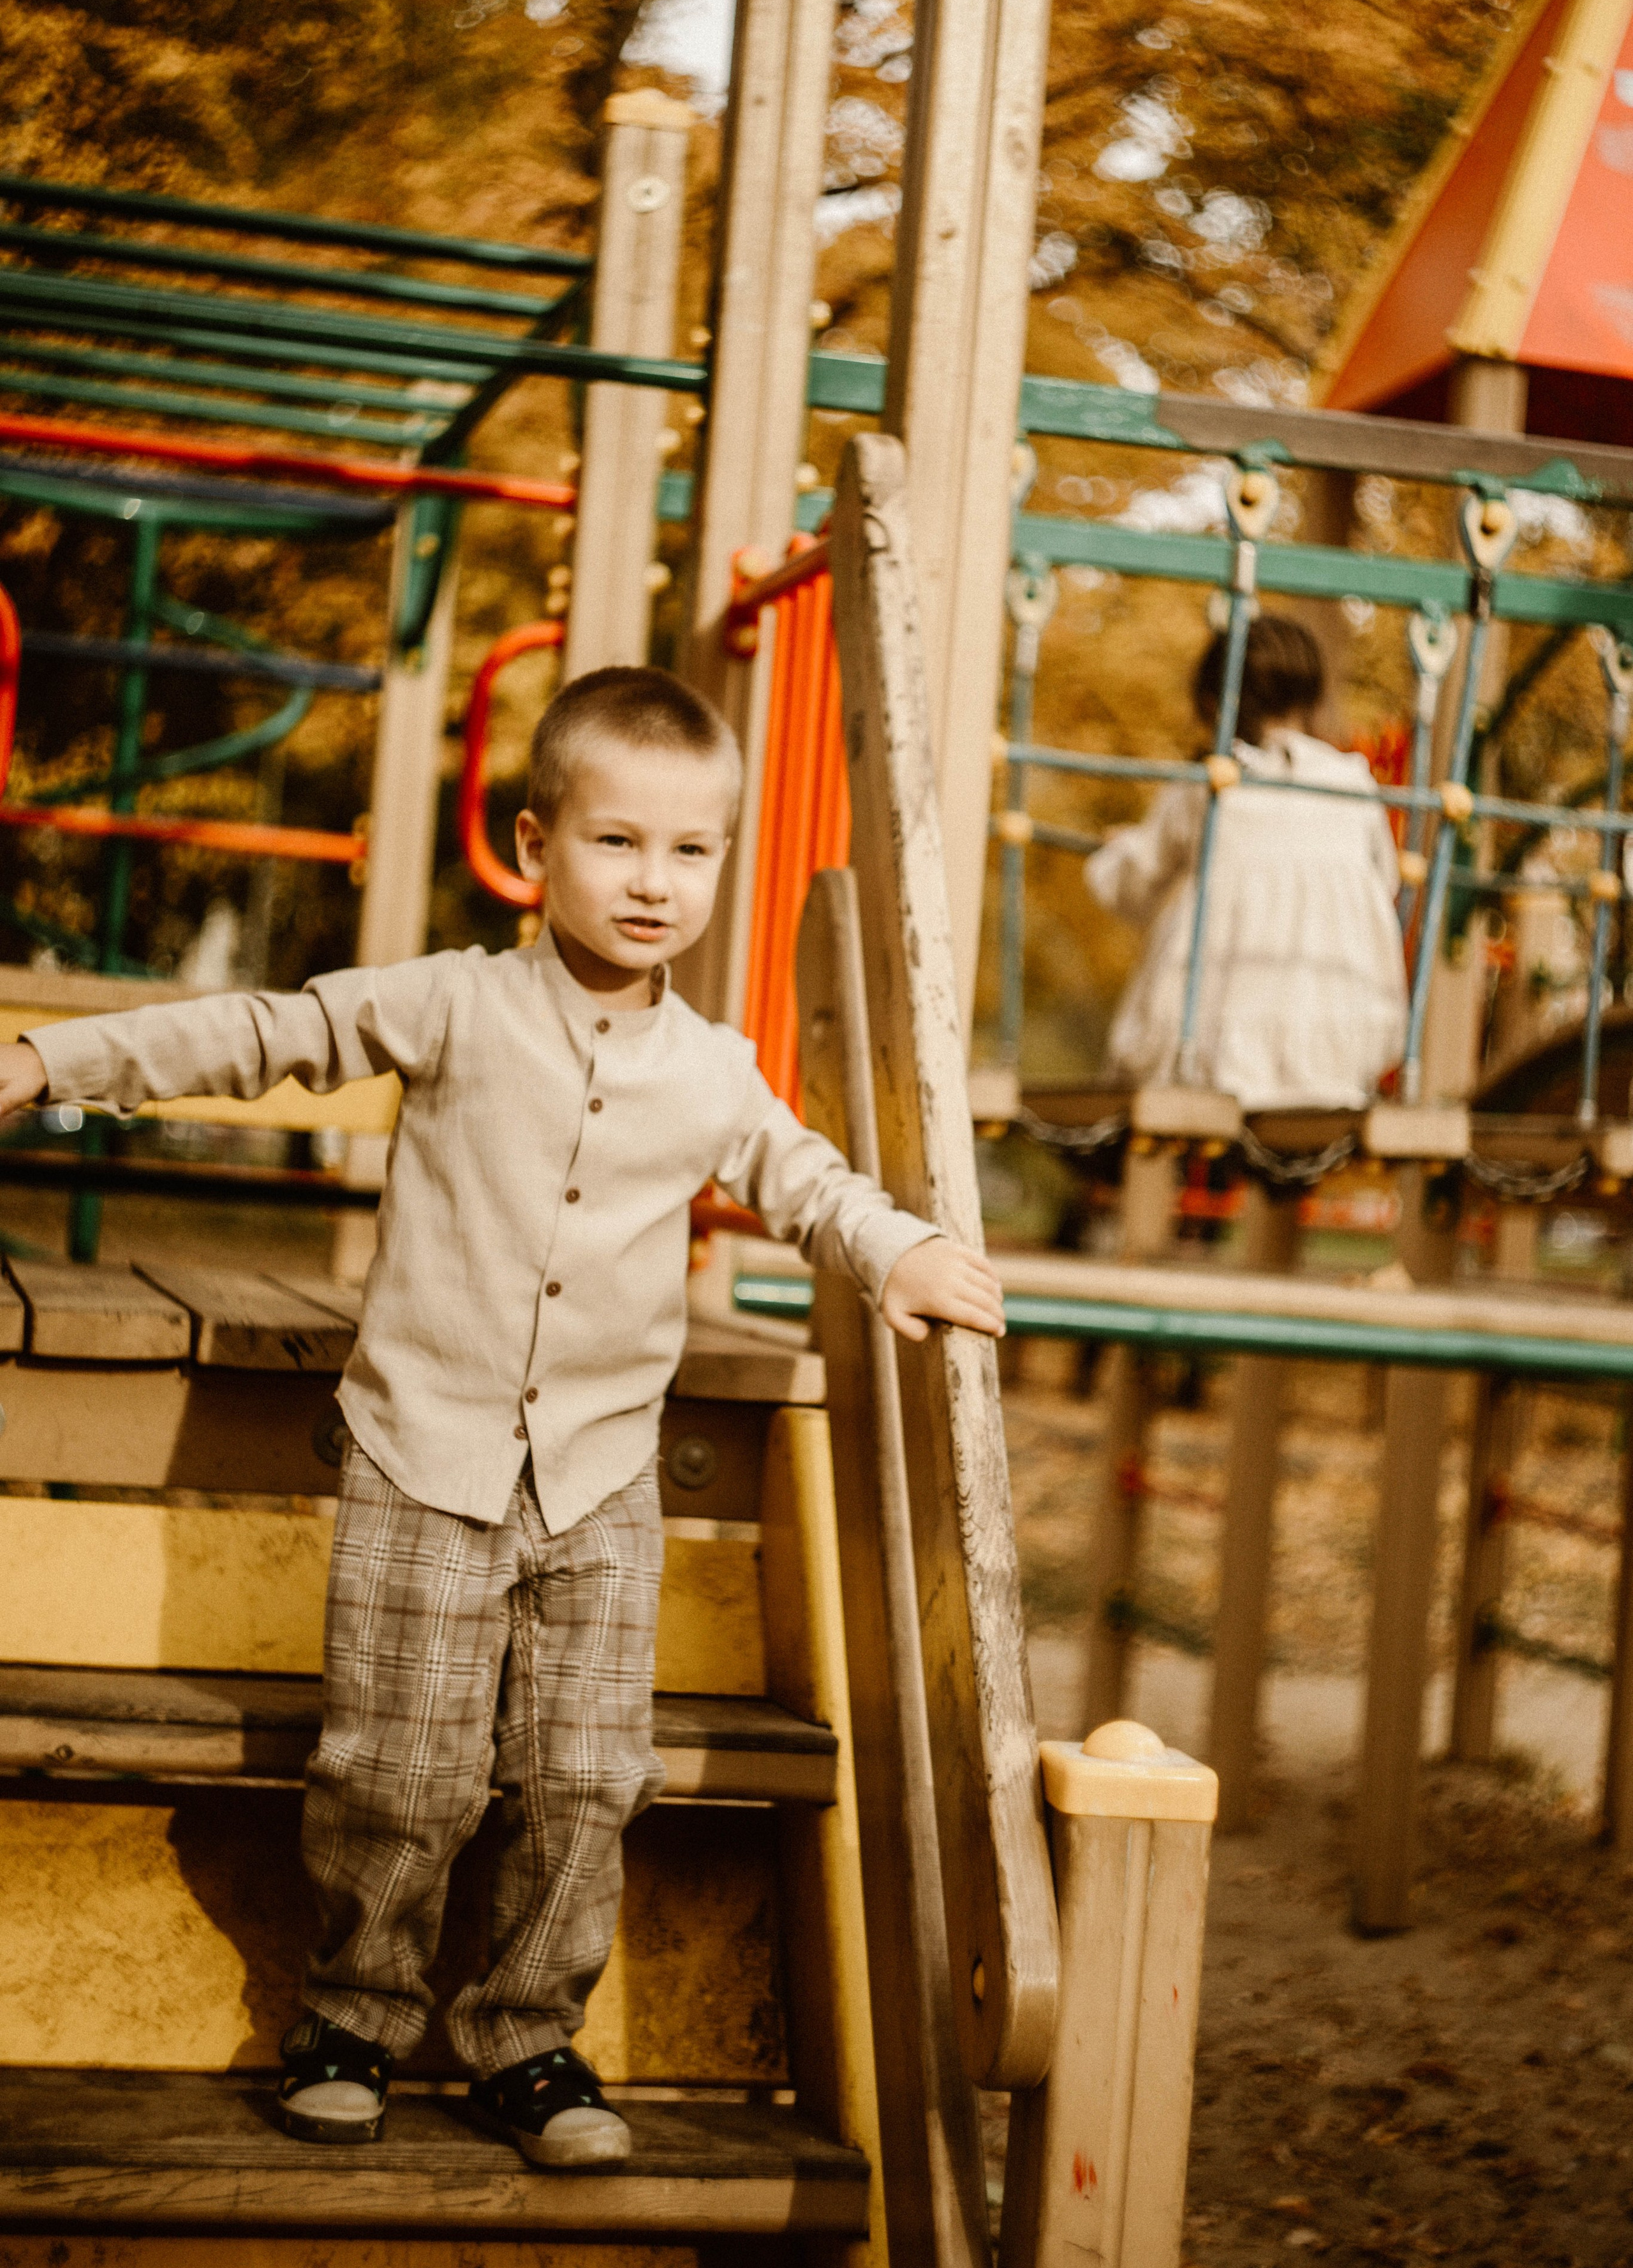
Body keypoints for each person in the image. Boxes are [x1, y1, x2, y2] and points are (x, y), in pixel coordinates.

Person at [0, 665, 1003, 2169]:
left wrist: (897, 1248)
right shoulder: (457, 1001)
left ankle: (525, 2040)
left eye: (692, 850)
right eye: (617, 842)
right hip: (428, 1451)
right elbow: (265, 1030)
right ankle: (353, 2011)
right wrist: (46, 1059)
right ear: (534, 845)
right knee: (398, 1769)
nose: (655, 882)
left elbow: (806, 1179)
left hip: (598, 1480)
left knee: (589, 1775)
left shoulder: (712, 1070)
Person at [1084, 614, 1406, 1111]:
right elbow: (1381, 885)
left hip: (1210, 1054)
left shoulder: (1213, 783)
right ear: (1315, 699)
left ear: (1214, 704)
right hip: (1335, 1045)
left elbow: (1132, 883)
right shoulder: (1353, 784)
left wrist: (1115, 848)